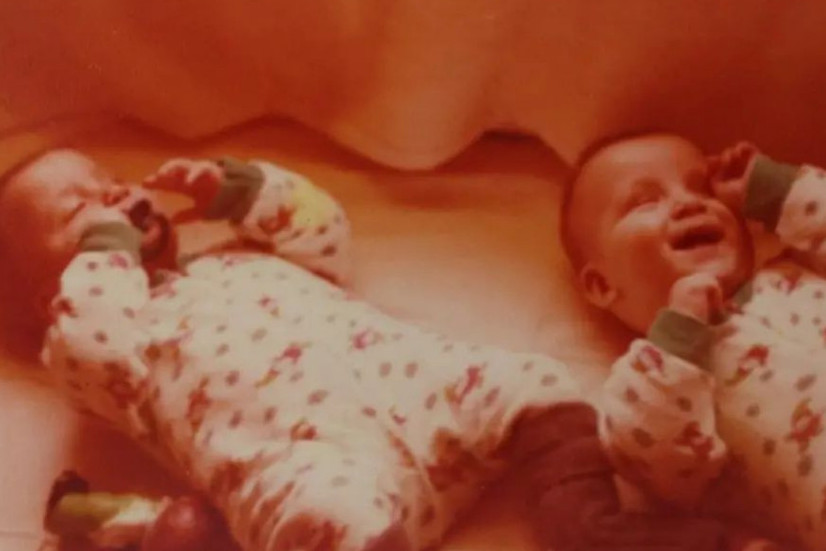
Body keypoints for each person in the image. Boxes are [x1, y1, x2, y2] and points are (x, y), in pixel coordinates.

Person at [3, 149, 732, 551]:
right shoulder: (95, 346)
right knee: (317, 516)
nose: (114, 200)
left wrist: (243, 192)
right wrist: (106, 254)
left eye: (108, 183)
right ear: (47, 298)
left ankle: (589, 524)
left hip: (418, 388)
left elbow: (324, 235)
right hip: (311, 457)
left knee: (534, 381)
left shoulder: (229, 256)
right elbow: (97, 348)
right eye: (80, 208)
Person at [560, 131, 826, 550]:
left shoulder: (797, 269)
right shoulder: (658, 383)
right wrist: (679, 336)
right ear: (601, 284)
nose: (688, 203)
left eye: (703, 189)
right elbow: (656, 461)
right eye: (644, 201)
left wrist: (777, 191)